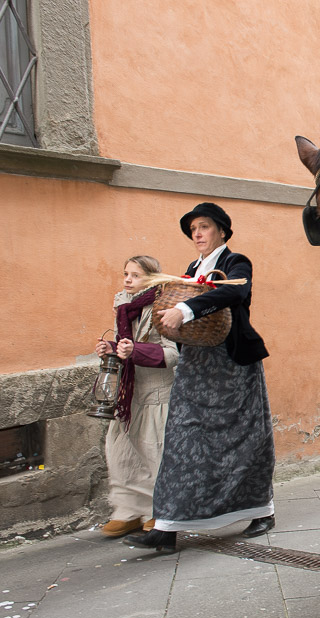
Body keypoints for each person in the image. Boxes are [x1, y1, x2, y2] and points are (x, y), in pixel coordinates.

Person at [124, 203, 275, 553]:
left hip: (233, 363)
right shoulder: (192, 269)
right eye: (193, 229)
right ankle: (167, 526)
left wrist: (185, 309)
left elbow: (235, 292)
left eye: (203, 227)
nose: (197, 234)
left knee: (246, 437)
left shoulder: (236, 263)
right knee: (182, 437)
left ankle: (261, 511)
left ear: (221, 231)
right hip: (196, 363)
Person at [96, 256, 178, 538]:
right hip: (130, 393)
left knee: (154, 452)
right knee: (120, 451)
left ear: (152, 279)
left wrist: (135, 352)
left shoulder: (163, 307)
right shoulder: (124, 308)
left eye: (135, 275)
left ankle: (161, 511)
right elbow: (125, 345)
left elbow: (173, 354)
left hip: (157, 393)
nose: (127, 280)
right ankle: (128, 510)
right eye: (125, 274)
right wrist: (111, 348)